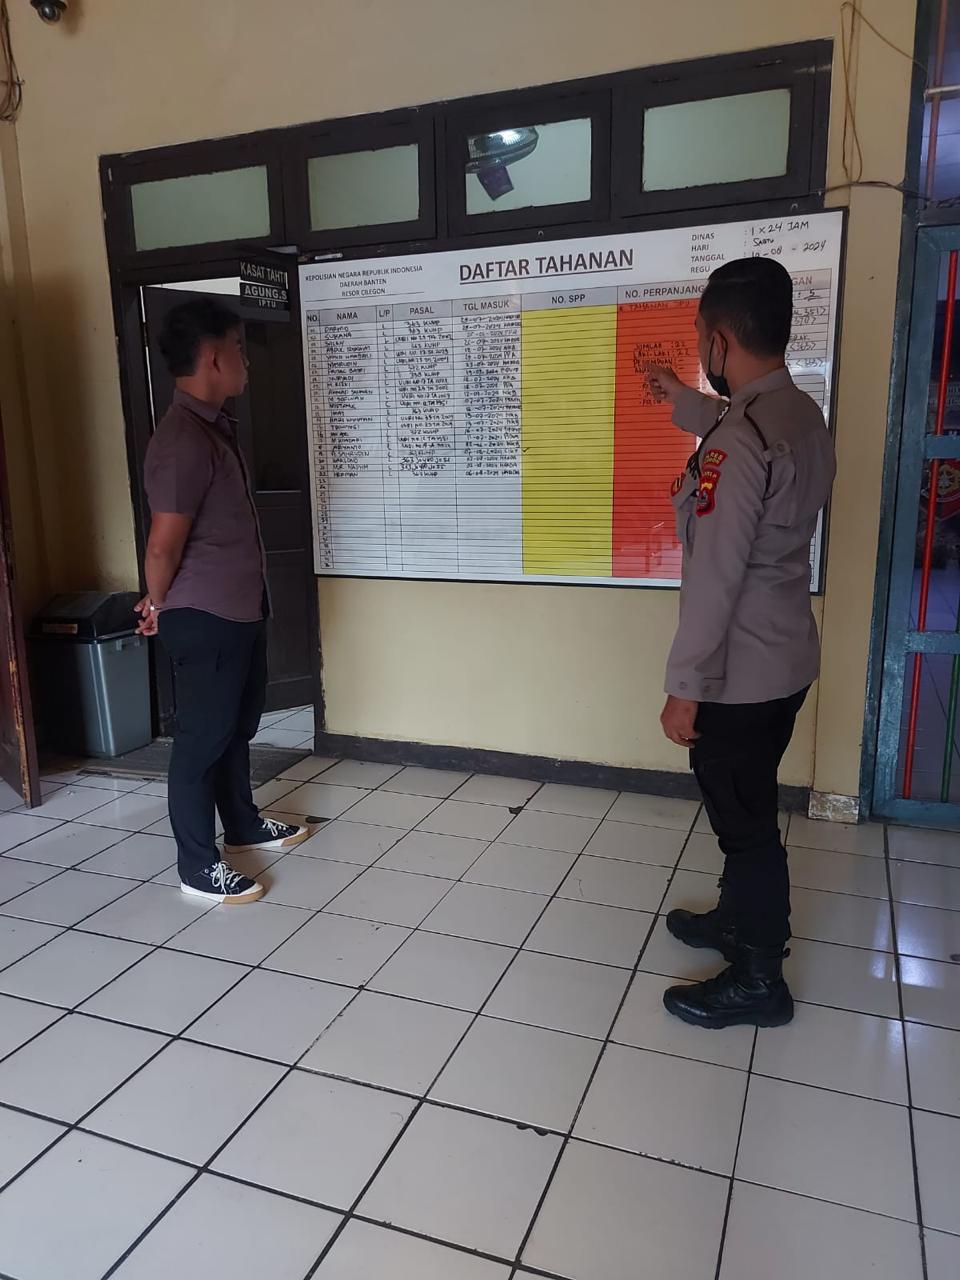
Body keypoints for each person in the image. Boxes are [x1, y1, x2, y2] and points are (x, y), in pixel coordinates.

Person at [646, 256, 836, 1029]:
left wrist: (684, 687)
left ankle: (759, 979)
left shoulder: (740, 441)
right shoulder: (798, 413)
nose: (701, 350)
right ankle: (735, 921)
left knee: (745, 824)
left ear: (720, 340)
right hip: (786, 658)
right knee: (748, 800)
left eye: (701, 338)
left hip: (740, 674)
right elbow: (741, 430)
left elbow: (716, 579)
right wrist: (679, 398)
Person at [136, 298, 309, 904]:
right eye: (239, 348)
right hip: (205, 618)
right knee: (201, 741)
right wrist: (158, 604)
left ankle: (241, 825)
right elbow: (163, 544)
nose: (246, 361)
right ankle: (196, 866)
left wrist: (160, 596)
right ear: (212, 356)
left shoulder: (212, 427)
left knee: (236, 728)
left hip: (237, 610)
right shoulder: (182, 440)